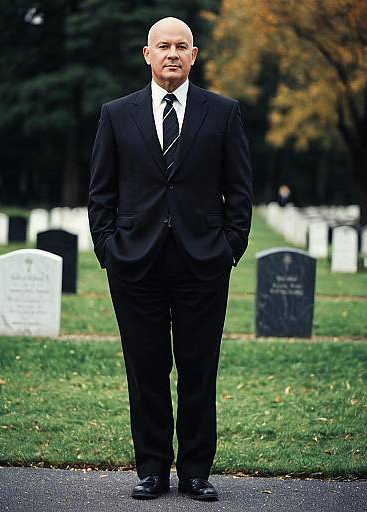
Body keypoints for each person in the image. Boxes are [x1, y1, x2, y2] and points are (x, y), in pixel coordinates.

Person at [88, 17, 252, 501]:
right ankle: (153, 469)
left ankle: (196, 471)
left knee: (199, 369)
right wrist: (108, 250)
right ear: (147, 54)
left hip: (203, 265)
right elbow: (101, 192)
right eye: (164, 46)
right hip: (135, 266)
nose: (173, 53)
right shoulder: (116, 114)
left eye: (182, 46)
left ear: (195, 55)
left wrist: (229, 249)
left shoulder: (223, 113)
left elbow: (239, 191)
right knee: (146, 369)